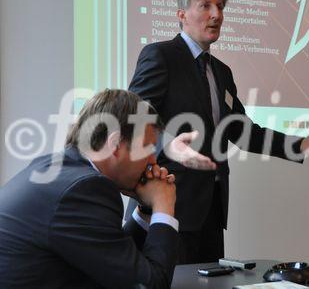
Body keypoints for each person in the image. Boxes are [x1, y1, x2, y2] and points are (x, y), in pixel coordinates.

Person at [127, 0, 309, 264]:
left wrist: (299, 145)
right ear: (181, 14)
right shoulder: (161, 56)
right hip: (166, 206)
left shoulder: (221, 72)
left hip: (211, 212)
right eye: (205, 6)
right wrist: (169, 145)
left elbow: (242, 131)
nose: (216, 14)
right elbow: (134, 117)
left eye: (219, 6)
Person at [0, 89, 182, 289]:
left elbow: (111, 257)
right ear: (114, 144)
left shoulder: (53, 168)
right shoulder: (85, 189)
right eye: (147, 149)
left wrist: (146, 210)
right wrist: (163, 205)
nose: (153, 162)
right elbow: (148, 285)